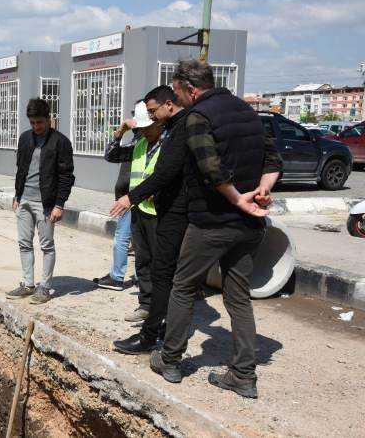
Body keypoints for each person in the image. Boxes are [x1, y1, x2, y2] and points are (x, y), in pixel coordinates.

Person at [149, 60, 282, 399]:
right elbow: (273, 161)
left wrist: (239, 199)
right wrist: (262, 193)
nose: (178, 100)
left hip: (212, 222)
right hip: (250, 225)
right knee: (238, 298)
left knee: (183, 286)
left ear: (190, 89)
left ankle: (171, 360)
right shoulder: (249, 114)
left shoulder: (198, 118)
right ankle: (243, 375)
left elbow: (211, 169)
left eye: (178, 93)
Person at [110, 86, 188, 355]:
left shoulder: (173, 139)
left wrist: (134, 197)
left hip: (163, 215)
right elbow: (112, 155)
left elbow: (166, 176)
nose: (143, 131)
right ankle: (149, 309)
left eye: (147, 125)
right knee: (144, 263)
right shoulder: (141, 143)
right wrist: (121, 132)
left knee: (164, 271)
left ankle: (161, 324)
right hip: (142, 211)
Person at [6, 98, 75, 305]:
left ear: (49, 119)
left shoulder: (60, 142)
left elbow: (66, 176)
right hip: (25, 200)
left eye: (40, 122)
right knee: (24, 243)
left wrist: (59, 204)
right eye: (33, 123)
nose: (36, 127)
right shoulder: (25, 138)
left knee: (46, 245)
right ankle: (28, 284)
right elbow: (21, 169)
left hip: (46, 204)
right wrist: (17, 196)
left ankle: (45, 287)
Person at [93, 106, 150, 291]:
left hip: (136, 198)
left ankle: (119, 278)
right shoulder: (136, 140)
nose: (135, 123)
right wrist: (119, 132)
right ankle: (126, 277)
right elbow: (110, 155)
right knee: (130, 239)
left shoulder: (149, 141)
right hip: (127, 197)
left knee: (126, 239)